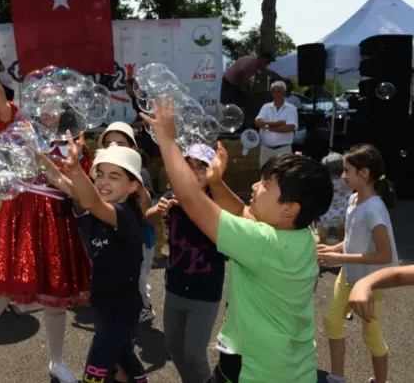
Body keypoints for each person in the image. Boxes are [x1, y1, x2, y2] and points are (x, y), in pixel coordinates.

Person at [140, 96, 333, 382]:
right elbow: (243, 211)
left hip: (257, 371)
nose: (255, 186)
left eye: (265, 185)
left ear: (290, 208)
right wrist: (216, 183)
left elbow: (192, 199)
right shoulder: (300, 235)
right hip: (291, 366)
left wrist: (167, 141)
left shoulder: (260, 242)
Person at [0, 49, 90, 383]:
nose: (48, 110)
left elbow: (82, 195)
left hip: (57, 221)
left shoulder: (75, 145)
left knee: (56, 296)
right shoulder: (19, 124)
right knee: (2, 289)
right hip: (21, 216)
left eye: (55, 104)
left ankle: (57, 362)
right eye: (43, 103)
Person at [56, 139, 148, 383]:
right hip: (106, 306)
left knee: (95, 372)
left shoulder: (123, 214)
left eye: (114, 177)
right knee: (125, 359)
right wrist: (36, 156)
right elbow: (63, 183)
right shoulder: (102, 211)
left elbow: (91, 201)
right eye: (101, 174)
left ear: (132, 186)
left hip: (120, 311)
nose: (104, 181)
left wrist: (76, 169)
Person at [317, 144, 399, 383]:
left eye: (347, 171)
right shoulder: (354, 200)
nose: (342, 176)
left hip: (372, 282)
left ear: (364, 174)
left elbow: (385, 255)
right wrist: (332, 249)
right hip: (349, 276)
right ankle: (337, 377)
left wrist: (339, 257)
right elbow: (353, 241)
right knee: (332, 321)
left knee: (371, 336)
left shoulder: (374, 209)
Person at [146, 143, 225, 383]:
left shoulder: (216, 201)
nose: (194, 173)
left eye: (201, 168)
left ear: (214, 173)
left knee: (193, 352)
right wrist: (159, 209)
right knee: (172, 344)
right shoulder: (172, 197)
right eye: (188, 167)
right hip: (176, 284)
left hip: (206, 289)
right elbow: (147, 217)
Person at [97, 122, 157, 322]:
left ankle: (145, 307)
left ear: (133, 149)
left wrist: (139, 186)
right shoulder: (104, 173)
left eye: (120, 143)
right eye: (108, 143)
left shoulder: (139, 174)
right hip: (115, 239)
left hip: (141, 239)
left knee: (139, 276)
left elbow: (147, 208)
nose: (113, 147)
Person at [254, 81, 298, 168]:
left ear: (284, 93)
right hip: (266, 149)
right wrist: (277, 123)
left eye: (278, 91)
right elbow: (257, 122)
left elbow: (289, 128)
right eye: (273, 91)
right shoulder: (266, 107)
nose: (275, 94)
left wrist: (268, 127)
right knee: (265, 176)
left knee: (283, 176)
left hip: (283, 149)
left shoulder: (291, 109)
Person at [221, 50, 287, 106]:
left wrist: (282, 79)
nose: (268, 63)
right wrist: (242, 86)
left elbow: (269, 73)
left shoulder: (259, 64)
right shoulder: (250, 62)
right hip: (229, 82)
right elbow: (238, 73)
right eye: (268, 61)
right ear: (262, 58)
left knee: (241, 102)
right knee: (226, 102)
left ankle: (240, 117)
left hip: (239, 83)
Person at [314, 152, 351, 245]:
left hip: (325, 214)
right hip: (343, 214)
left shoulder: (323, 182)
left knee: (319, 236)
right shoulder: (348, 181)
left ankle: (314, 251)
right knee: (342, 237)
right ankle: (342, 253)